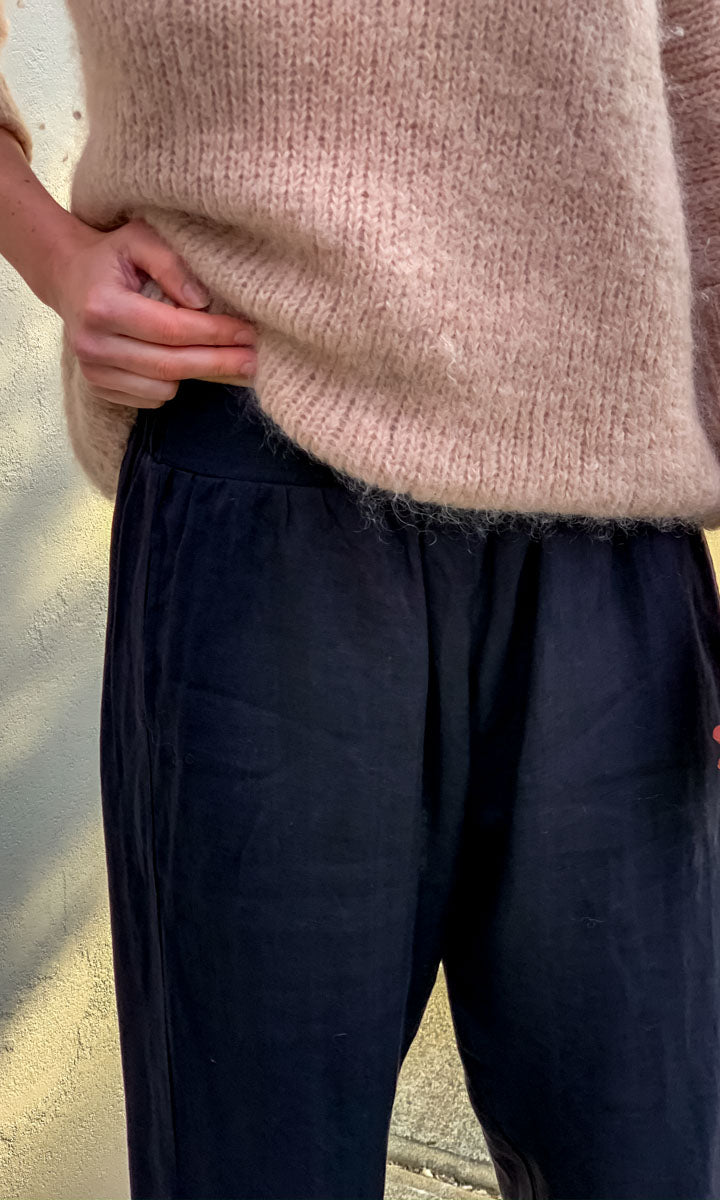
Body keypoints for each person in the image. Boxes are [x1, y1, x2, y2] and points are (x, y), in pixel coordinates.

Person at [3, 1, 720, 1197]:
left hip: (612, 523)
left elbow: (703, 58)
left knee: (644, 1160)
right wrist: (52, 252)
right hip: (255, 478)